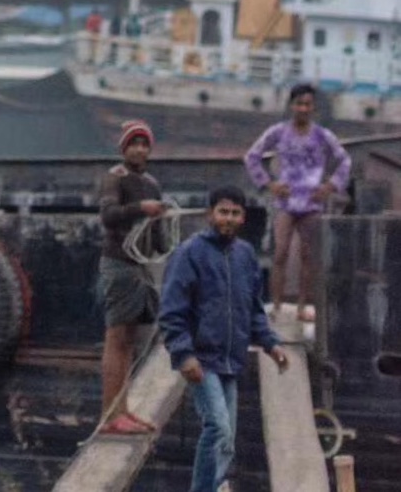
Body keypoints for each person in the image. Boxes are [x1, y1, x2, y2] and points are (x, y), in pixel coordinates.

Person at [159, 186, 289, 492]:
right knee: (217, 426)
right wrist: (183, 354)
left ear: (243, 217)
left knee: (227, 439)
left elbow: (254, 309)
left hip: (231, 359)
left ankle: (216, 486)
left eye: (235, 213)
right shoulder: (190, 253)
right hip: (201, 358)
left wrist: (271, 344)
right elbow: (171, 310)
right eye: (223, 212)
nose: (228, 218)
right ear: (210, 214)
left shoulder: (246, 255)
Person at [244, 82, 351, 322]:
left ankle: (303, 306)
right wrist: (269, 184)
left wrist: (330, 186)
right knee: (280, 253)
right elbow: (252, 156)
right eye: (299, 103)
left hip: (312, 202)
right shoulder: (278, 132)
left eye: (307, 104)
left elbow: (344, 160)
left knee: (308, 257)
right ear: (292, 105)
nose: (303, 108)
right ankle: (277, 305)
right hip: (286, 201)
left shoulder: (323, 136)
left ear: (313, 107)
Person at [97, 119, 163, 434]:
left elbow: (158, 240)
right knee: (116, 338)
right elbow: (108, 216)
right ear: (123, 148)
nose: (139, 149)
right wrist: (141, 208)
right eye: (133, 143)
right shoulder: (115, 177)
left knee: (129, 341)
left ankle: (123, 409)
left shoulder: (151, 183)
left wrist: (162, 220)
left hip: (140, 266)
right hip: (119, 264)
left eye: (144, 144)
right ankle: (110, 415)